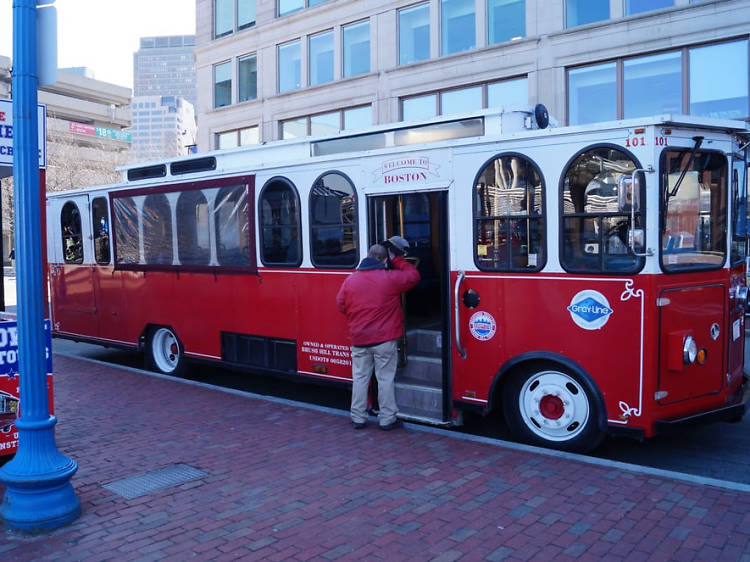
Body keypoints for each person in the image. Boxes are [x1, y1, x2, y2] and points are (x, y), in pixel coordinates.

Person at [336, 236, 420, 430]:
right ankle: (387, 418)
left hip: (359, 339)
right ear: (384, 260)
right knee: (385, 379)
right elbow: (413, 275)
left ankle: (358, 417)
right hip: (384, 340)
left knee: (360, 378)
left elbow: (341, 305)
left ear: (367, 257)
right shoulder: (389, 279)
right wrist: (397, 259)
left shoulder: (351, 280)